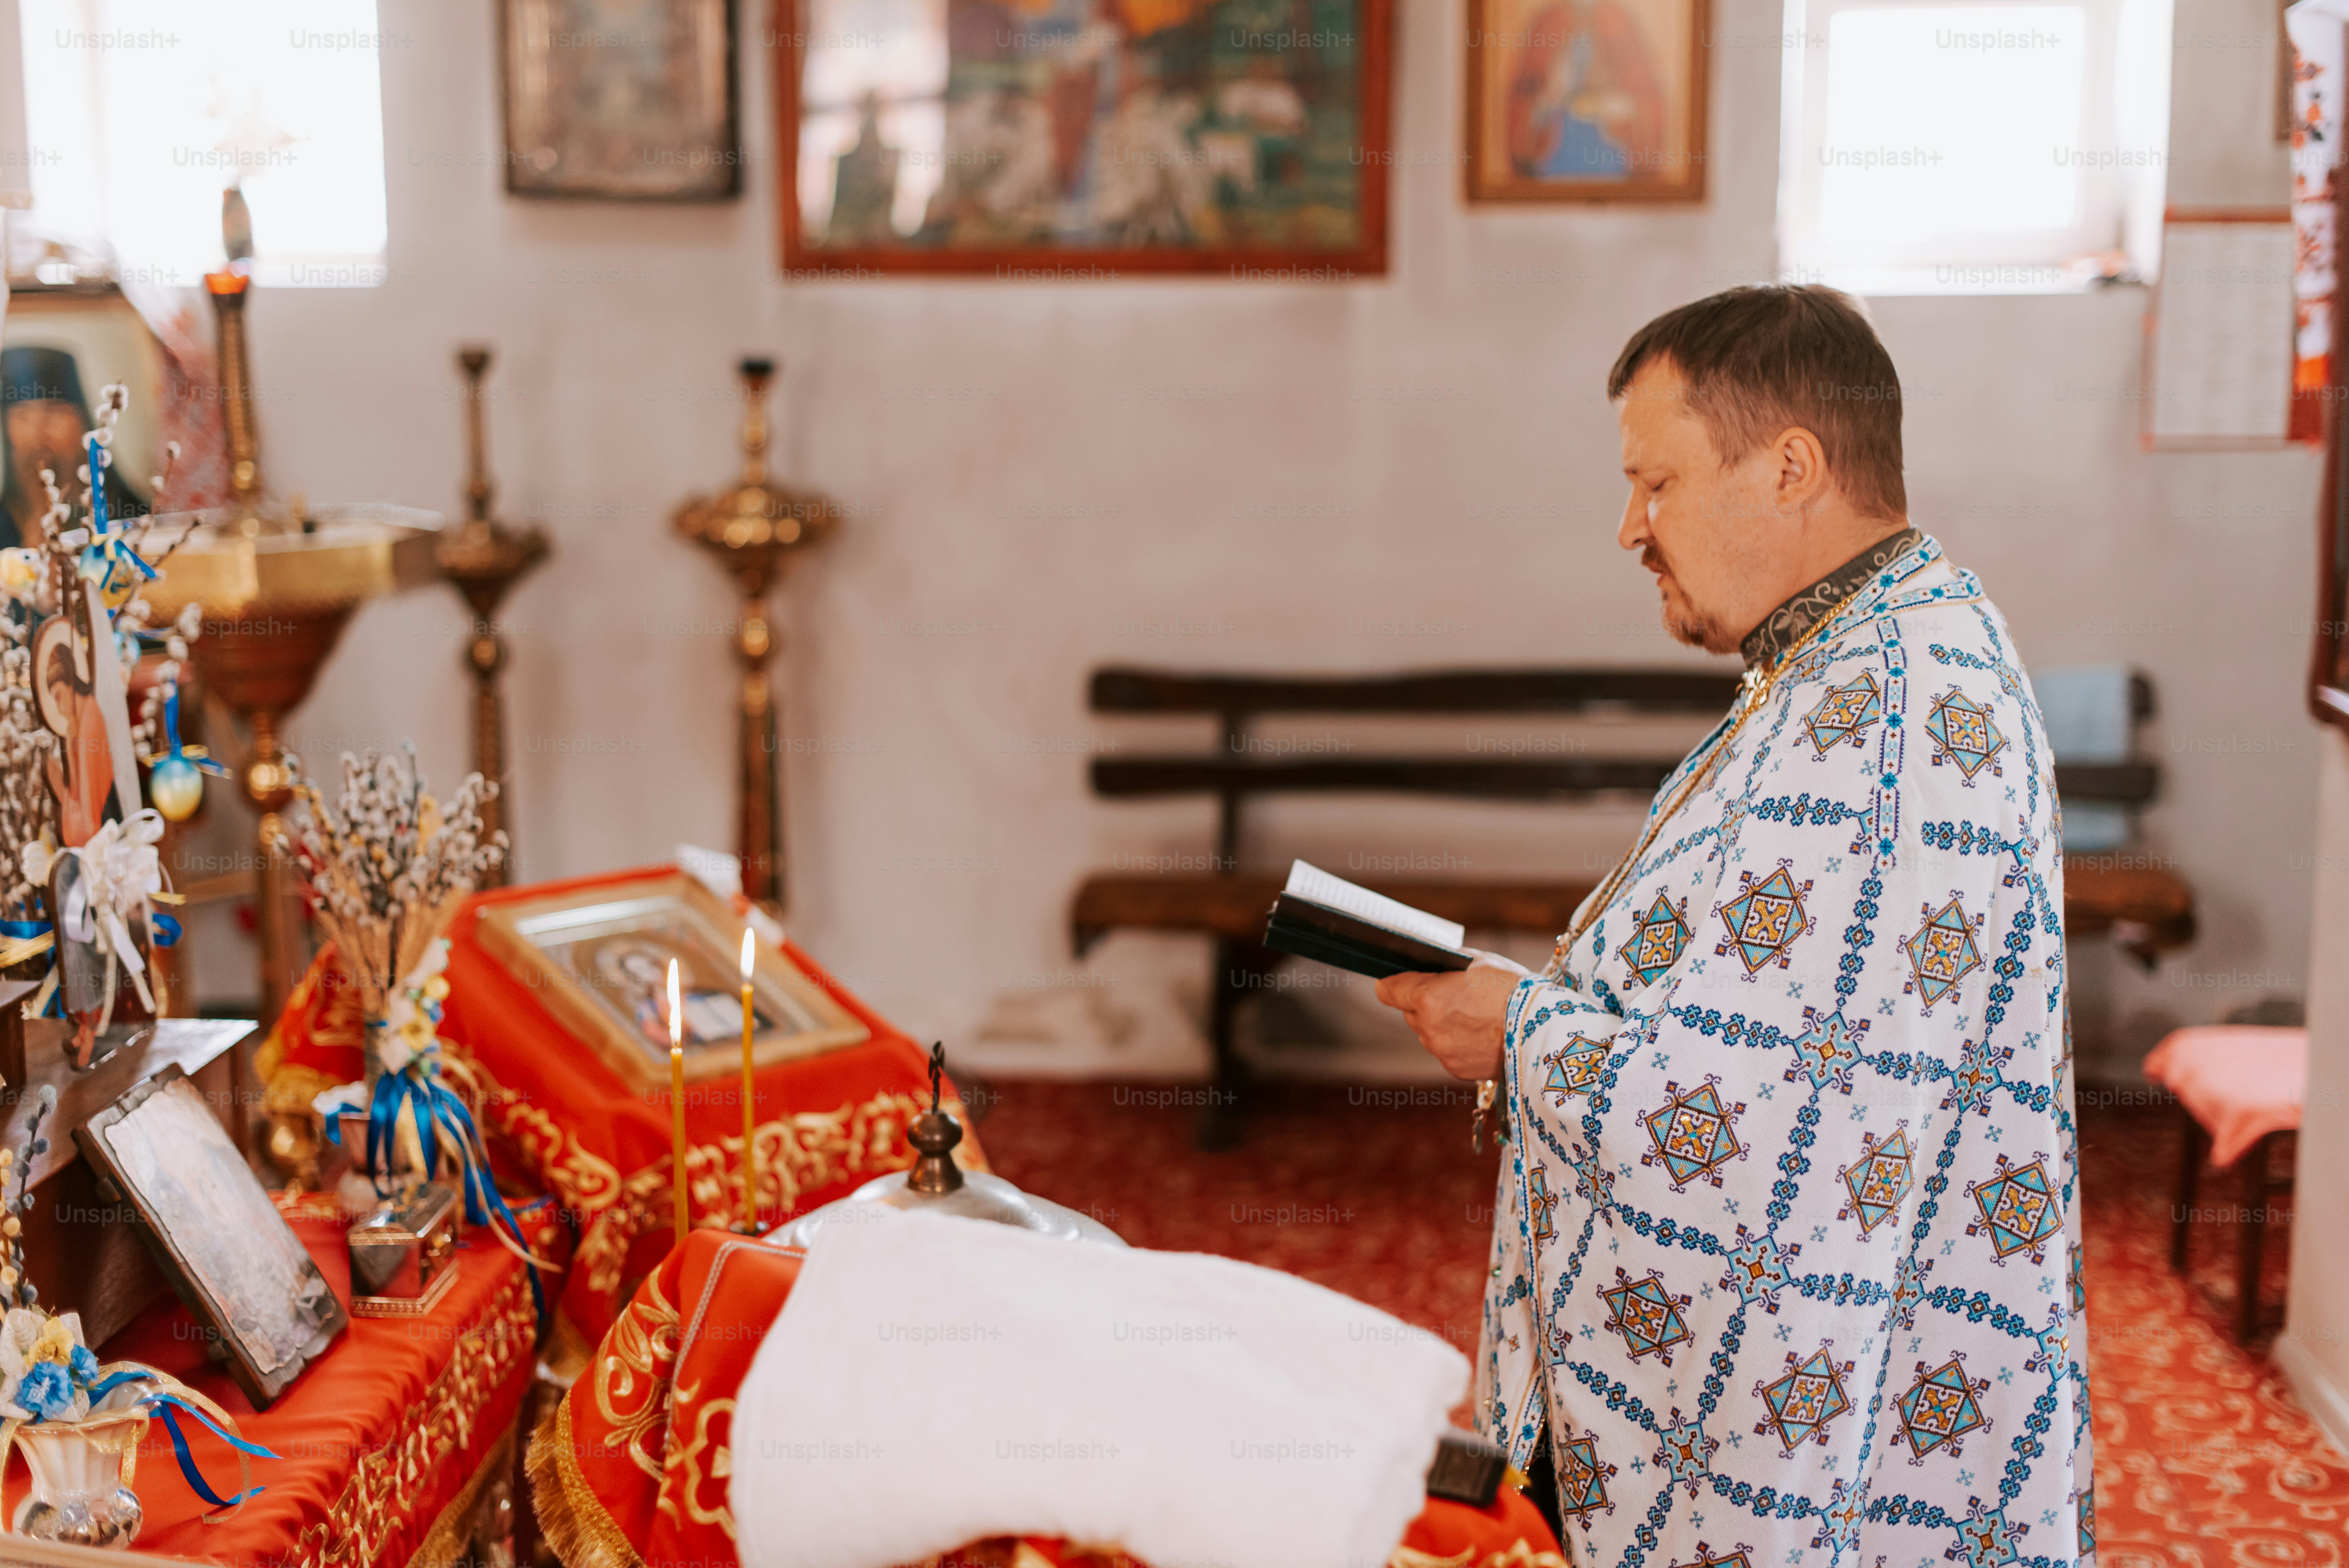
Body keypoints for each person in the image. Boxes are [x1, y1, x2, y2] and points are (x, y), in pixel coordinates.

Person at [1376, 286, 2091, 1565]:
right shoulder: (1862, 655)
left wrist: (1516, 1027)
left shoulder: (1890, 711)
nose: (1627, 529)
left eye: (1654, 483)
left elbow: (1767, 1118)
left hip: (1809, 1434)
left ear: (1789, 467)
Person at [0, 345, 147, 547]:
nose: (37, 435)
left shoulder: (131, 514)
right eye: (22, 418)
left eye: (52, 414)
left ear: (82, 422)